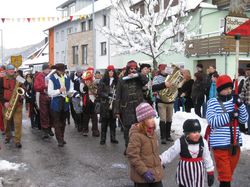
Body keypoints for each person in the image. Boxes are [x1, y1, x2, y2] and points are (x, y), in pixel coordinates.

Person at [206, 75, 248, 187]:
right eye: (226, 88)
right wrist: (229, 115)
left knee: (228, 174)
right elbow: (212, 121)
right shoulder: (212, 102)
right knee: (225, 177)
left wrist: (240, 104)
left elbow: (244, 119)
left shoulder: (234, 101)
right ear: (220, 89)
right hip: (220, 144)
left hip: (235, 144)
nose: (229, 90)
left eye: (230, 88)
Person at [160, 119, 214, 187]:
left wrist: (210, 172)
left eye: (198, 131)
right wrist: (161, 159)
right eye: (194, 132)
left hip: (198, 175)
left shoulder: (203, 142)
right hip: (184, 175)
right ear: (187, 133)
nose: (197, 134)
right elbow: (171, 153)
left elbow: (207, 157)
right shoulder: (181, 142)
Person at [114, 60, 148, 154]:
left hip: (138, 107)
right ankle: (128, 147)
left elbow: (145, 80)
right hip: (126, 108)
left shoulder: (139, 78)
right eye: (131, 68)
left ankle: (138, 148)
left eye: (134, 68)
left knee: (139, 129)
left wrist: (138, 74)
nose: (132, 70)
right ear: (128, 69)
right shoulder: (122, 80)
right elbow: (118, 96)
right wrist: (117, 110)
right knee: (127, 130)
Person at [126, 102, 164, 187]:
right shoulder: (136, 135)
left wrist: (158, 162)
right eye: (149, 118)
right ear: (142, 120)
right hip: (142, 177)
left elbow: (153, 152)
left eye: (153, 117)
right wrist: (144, 172)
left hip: (155, 173)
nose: (152, 120)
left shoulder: (152, 132)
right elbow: (133, 155)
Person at [48, 63, 75, 147]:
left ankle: (62, 138)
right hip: (56, 102)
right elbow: (50, 93)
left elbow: (71, 88)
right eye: (60, 70)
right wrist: (59, 91)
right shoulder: (52, 79)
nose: (62, 72)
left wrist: (70, 92)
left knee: (63, 122)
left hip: (65, 102)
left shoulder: (67, 78)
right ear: (57, 70)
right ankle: (59, 139)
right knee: (57, 122)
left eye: (63, 70)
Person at [0, 64, 25, 148]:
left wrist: (22, 94)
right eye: (10, 69)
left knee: (18, 123)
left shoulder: (18, 77)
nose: (12, 71)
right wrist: (4, 102)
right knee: (7, 122)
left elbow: (24, 87)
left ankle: (17, 140)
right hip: (7, 104)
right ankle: (8, 136)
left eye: (13, 69)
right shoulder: (1, 79)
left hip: (18, 103)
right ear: (6, 70)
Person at [152, 64, 175, 144]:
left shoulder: (171, 77)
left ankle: (168, 135)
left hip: (170, 100)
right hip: (161, 101)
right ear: (160, 70)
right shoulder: (156, 77)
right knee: (163, 119)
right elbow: (154, 87)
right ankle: (163, 137)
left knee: (169, 119)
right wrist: (164, 85)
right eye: (164, 69)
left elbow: (175, 87)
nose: (166, 70)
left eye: (166, 69)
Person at [97, 65, 119, 145]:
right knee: (104, 123)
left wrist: (115, 95)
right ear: (107, 72)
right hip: (105, 104)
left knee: (113, 122)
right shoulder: (103, 80)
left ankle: (113, 138)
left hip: (113, 104)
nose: (111, 73)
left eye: (112, 71)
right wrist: (107, 95)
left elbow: (119, 91)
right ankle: (103, 139)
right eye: (109, 71)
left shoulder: (117, 81)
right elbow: (99, 92)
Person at [34, 64, 54, 138]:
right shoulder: (39, 76)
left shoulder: (51, 76)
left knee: (51, 113)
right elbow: (36, 87)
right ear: (44, 69)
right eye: (48, 69)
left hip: (51, 96)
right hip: (43, 96)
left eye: (49, 69)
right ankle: (45, 130)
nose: (49, 70)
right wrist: (45, 85)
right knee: (44, 114)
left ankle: (50, 128)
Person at [80, 67, 100, 137]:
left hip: (93, 100)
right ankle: (85, 130)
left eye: (92, 71)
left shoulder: (94, 80)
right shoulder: (83, 81)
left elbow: (97, 91)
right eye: (90, 71)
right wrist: (86, 86)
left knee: (94, 117)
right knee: (86, 117)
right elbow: (82, 91)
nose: (91, 72)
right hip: (87, 100)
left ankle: (95, 130)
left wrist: (92, 87)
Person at [69, 66, 83, 131]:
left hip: (81, 96)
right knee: (73, 110)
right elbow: (70, 87)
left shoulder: (83, 76)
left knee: (80, 110)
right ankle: (76, 122)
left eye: (80, 72)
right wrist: (75, 93)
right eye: (78, 72)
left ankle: (80, 123)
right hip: (73, 95)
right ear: (76, 72)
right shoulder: (72, 76)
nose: (79, 73)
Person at [240, 65, 250, 135]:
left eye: (248, 70)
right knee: (248, 117)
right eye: (246, 70)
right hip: (248, 102)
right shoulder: (246, 80)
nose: (247, 71)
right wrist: (240, 100)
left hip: (248, 101)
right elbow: (243, 91)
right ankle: (249, 131)